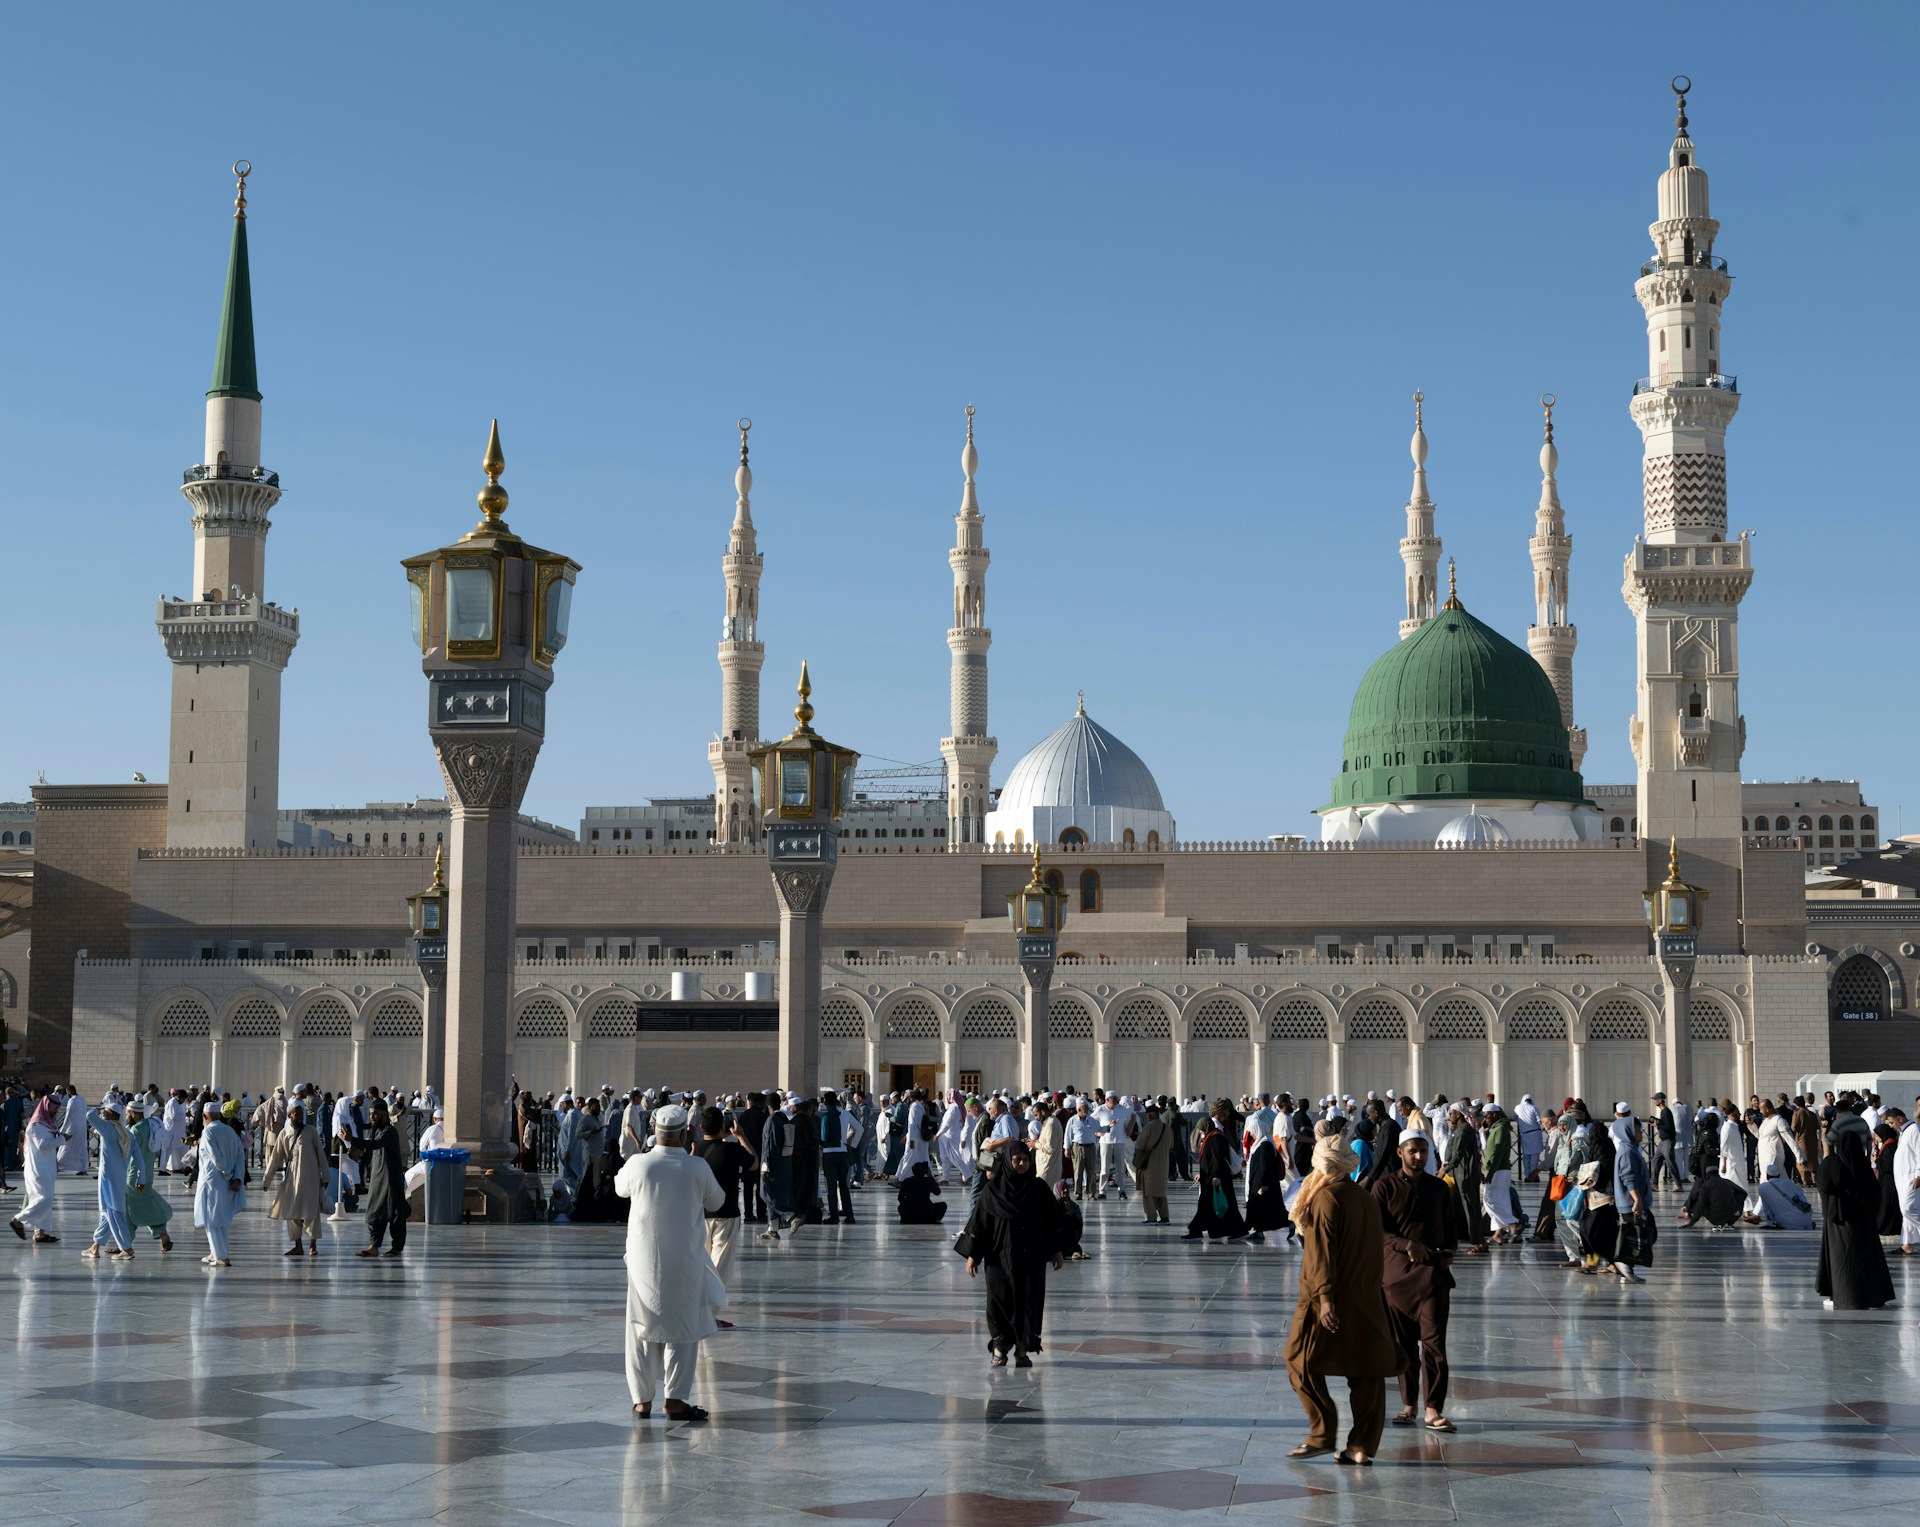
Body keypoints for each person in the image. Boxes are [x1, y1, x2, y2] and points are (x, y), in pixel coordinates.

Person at [1285, 1123, 1401, 1465]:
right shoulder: (1364, 1197)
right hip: (1365, 1296)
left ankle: (1322, 1433)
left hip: (1327, 1298)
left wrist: (1324, 1298)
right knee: (1365, 1371)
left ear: (1324, 1164)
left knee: (1299, 1361)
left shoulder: (1325, 1197)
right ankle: (1361, 1445)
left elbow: (1321, 1253)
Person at [615, 1104, 725, 1422]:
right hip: (685, 1261)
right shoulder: (697, 1167)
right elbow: (717, 1201)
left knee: (640, 1325)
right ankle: (675, 1400)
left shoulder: (639, 1165)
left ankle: (641, 1401)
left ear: (655, 1133)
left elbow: (620, 1189)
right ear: (682, 1134)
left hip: (643, 1261)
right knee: (682, 1328)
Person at [1371, 1133, 1456, 1432]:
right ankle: (1409, 1405)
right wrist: (1406, 1244)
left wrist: (1448, 1253)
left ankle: (1433, 1408)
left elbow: (1449, 1227)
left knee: (1434, 1345)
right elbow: (1377, 1231)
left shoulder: (1439, 1188)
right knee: (1404, 1346)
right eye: (1412, 1151)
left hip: (1432, 1277)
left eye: (1422, 1151)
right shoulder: (1383, 1187)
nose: (1418, 1157)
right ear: (1399, 1152)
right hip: (1395, 1280)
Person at [962, 1140, 1060, 1367]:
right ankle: (1000, 1346)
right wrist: (973, 1255)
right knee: (999, 1301)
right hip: (999, 1257)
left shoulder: (1038, 1189)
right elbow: (980, 1224)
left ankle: (1022, 1350)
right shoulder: (992, 1192)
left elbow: (1052, 1221)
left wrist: (1056, 1251)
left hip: (1030, 1258)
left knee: (1027, 1302)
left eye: (1025, 1160)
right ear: (1007, 1161)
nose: (1022, 1164)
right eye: (1017, 1160)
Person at [1816, 1125, 1895, 1309]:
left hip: (1839, 1222)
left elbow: (1823, 1184)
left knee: (1842, 1260)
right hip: (1863, 1223)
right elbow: (1876, 1194)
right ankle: (1870, 1296)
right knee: (1865, 1260)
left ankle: (1846, 1297)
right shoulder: (1864, 1168)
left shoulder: (1833, 1164)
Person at [696, 1105, 756, 1327]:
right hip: (726, 1215)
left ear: (701, 1126)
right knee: (719, 1268)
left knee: (701, 1266)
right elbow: (753, 1162)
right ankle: (707, 1316)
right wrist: (740, 1136)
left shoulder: (694, 1150)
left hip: (699, 1217)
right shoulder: (731, 1150)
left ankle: (699, 1313)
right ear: (723, 1127)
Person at [263, 1100, 327, 1257]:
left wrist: (325, 1176)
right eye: (295, 1114)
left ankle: (313, 1246)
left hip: (311, 1179)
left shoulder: (311, 1131)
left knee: (312, 1212)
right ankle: (298, 1246)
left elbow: (321, 1154)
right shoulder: (284, 1134)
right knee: (293, 1213)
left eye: (300, 1114)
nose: (298, 1117)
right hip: (293, 1179)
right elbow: (275, 1158)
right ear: (289, 1115)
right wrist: (267, 1180)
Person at [352, 1099, 409, 1258]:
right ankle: (374, 1246)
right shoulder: (375, 1130)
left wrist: (353, 1139)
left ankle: (396, 1248)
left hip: (391, 1179)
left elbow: (376, 1144)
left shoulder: (389, 1132)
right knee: (374, 1213)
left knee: (396, 1214)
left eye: (376, 1114)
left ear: (384, 1115)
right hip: (378, 1179)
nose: (372, 1117)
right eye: (371, 1114)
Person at [83, 1094, 136, 1260]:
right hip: (119, 1176)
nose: (102, 1115)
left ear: (110, 1114)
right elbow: (138, 1158)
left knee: (114, 1212)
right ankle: (95, 1246)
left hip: (108, 1179)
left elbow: (89, 1115)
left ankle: (126, 1247)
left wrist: (99, 1107)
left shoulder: (107, 1128)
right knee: (108, 1214)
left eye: (105, 1113)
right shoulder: (126, 1133)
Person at [1183, 1105, 1247, 1242]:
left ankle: (1197, 1230)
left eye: (1200, 1128)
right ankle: (1218, 1231)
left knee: (1213, 1205)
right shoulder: (1211, 1137)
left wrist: (1216, 1176)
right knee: (1215, 1207)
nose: (1199, 1131)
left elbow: (1218, 1159)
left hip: (1216, 1179)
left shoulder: (1215, 1138)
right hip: (1211, 1177)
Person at [1605, 1106, 1653, 1282]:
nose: (1641, 1133)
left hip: (1632, 1201)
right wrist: (1637, 1199)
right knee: (1635, 1234)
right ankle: (1624, 1265)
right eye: (1639, 1130)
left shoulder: (1629, 1149)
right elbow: (1628, 1177)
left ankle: (1625, 1266)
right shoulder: (1627, 1152)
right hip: (1630, 1202)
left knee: (1637, 1234)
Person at [194, 1101, 245, 1266]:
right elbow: (240, 1156)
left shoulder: (208, 1132)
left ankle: (221, 1257)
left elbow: (216, 1158)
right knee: (221, 1219)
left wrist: (229, 1176)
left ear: (204, 1116)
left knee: (211, 1219)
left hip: (214, 1181)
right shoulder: (230, 1131)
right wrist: (237, 1177)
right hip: (228, 1181)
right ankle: (215, 1252)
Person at [123, 1095, 174, 1253]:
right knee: (143, 1204)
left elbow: (129, 1153)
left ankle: (125, 1244)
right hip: (147, 1174)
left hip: (135, 1175)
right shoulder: (151, 1126)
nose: (126, 1116)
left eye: (127, 1113)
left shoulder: (136, 1130)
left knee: (129, 1208)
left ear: (132, 1114)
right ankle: (161, 1233)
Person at [1244, 1122, 1288, 1244]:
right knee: (1271, 1209)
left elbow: (1265, 1165)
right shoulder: (1264, 1142)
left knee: (1266, 1208)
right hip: (1263, 1182)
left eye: (1252, 1131)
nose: (1251, 1134)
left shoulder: (1265, 1144)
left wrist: (1264, 1182)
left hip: (1264, 1183)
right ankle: (1259, 1231)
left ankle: (1259, 1231)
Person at [818, 1090, 858, 1224]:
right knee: (844, 1186)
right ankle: (849, 1215)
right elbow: (859, 1128)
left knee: (831, 1186)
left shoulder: (826, 1117)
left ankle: (834, 1216)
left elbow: (824, 1137)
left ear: (825, 1102)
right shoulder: (845, 1113)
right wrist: (851, 1145)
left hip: (829, 1153)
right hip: (843, 1153)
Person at [1482, 1104, 1519, 1244]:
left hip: (1498, 1169)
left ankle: (1513, 1223)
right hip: (1498, 1169)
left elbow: (1498, 1152)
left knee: (1489, 1199)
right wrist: (1486, 1132)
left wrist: (1491, 1172)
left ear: (1496, 1114)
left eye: (1487, 1114)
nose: (1485, 1117)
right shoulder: (1496, 1129)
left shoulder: (1501, 1129)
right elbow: (1492, 1147)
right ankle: (1498, 1232)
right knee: (1501, 1200)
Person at [1132, 1100, 1173, 1226]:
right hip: (1164, 1164)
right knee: (1161, 1191)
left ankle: (1151, 1217)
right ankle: (1164, 1217)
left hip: (1150, 1164)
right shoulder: (1167, 1128)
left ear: (1149, 1115)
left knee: (1149, 1191)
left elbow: (1139, 1144)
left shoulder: (1148, 1127)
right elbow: (1171, 1145)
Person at [1895, 1103, 1920, 1256]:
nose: (1891, 1126)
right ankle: (1907, 1244)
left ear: (1900, 1118)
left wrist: (1919, 1175)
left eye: (1892, 1122)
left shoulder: (1914, 1130)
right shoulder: (1905, 1131)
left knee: (1908, 1208)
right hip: (1903, 1179)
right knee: (1905, 1212)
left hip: (1912, 1178)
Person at [1066, 1101, 1099, 1201]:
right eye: (1084, 1108)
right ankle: (1078, 1193)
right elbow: (1068, 1135)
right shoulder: (1072, 1120)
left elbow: (1100, 1128)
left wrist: (1108, 1127)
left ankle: (1091, 1193)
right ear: (1079, 1109)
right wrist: (1066, 1148)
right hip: (1077, 1148)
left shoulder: (1092, 1120)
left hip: (1090, 1147)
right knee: (1078, 1172)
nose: (1087, 1111)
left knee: (1091, 1171)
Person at [1055, 1178, 1086, 1259]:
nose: (1065, 1190)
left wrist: (1070, 1212)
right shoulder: (1051, 1205)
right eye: (1063, 1188)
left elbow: (1078, 1226)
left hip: (1070, 1242)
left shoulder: (1074, 1206)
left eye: (1067, 1188)